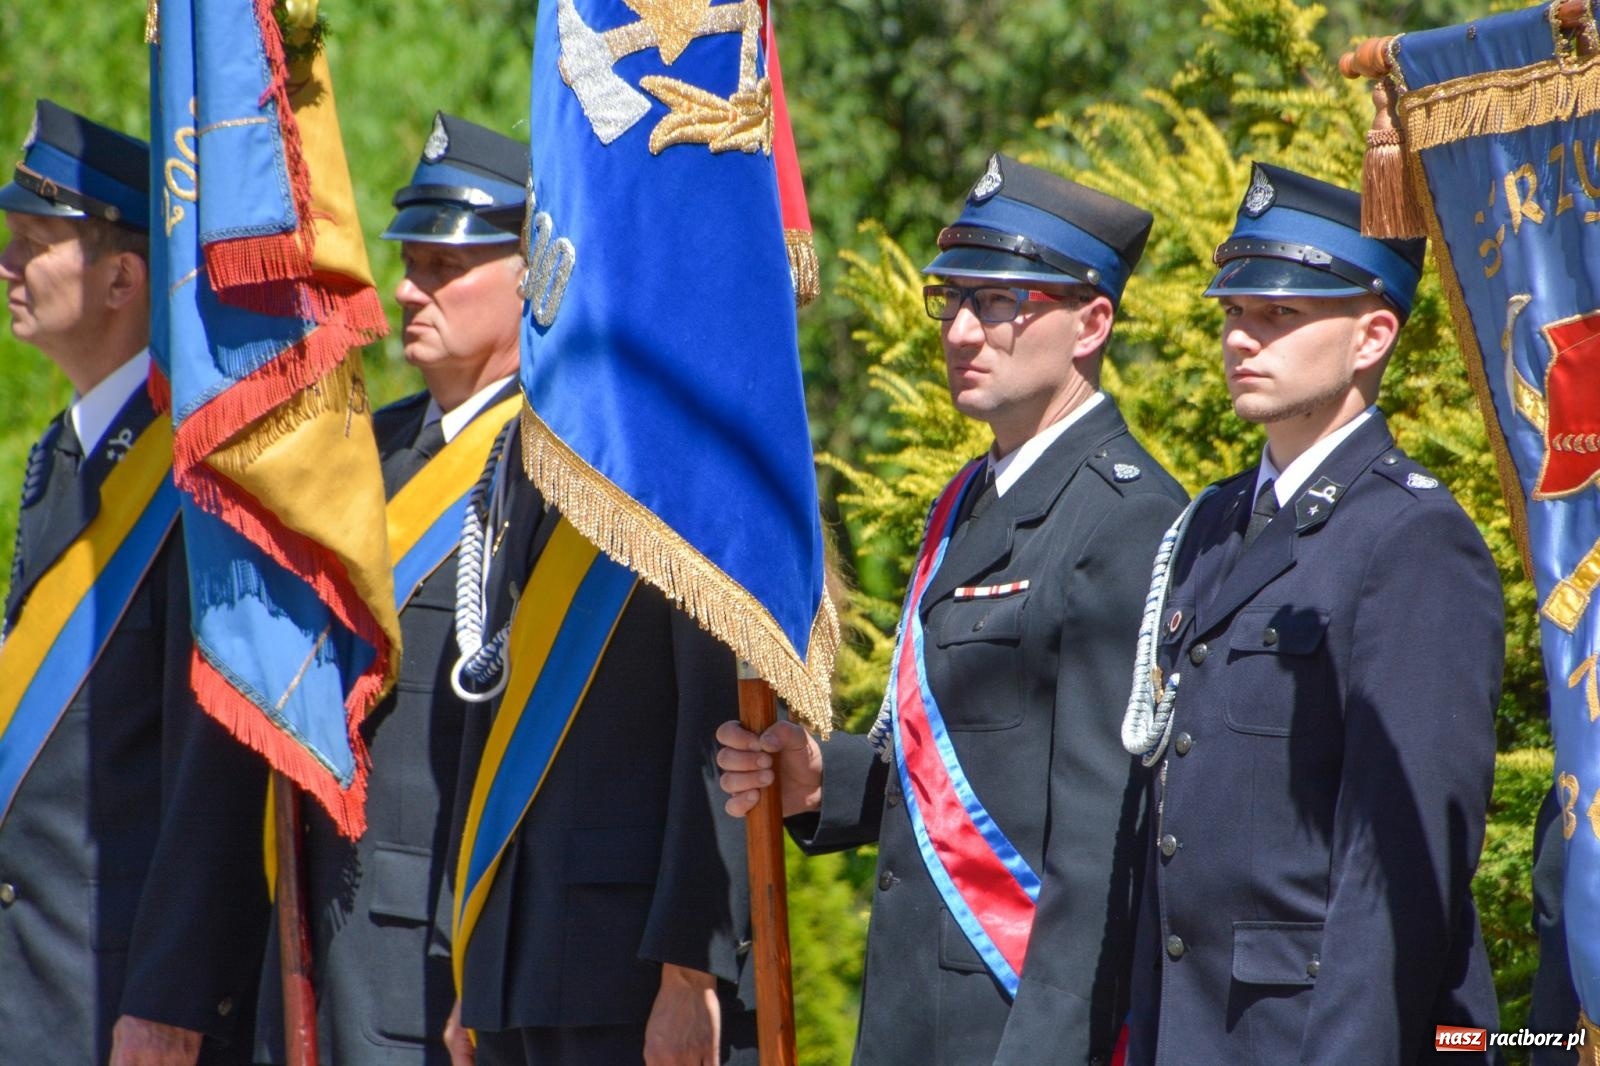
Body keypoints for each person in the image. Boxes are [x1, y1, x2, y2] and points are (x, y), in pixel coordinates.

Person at [717, 153, 1186, 1064]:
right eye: (953, 300)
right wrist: (824, 779)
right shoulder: (966, 501)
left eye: (1003, 302)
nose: (965, 330)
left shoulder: (1125, 518)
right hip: (913, 1015)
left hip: (1014, 1028)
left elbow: (1099, 854)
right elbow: (956, 765)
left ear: (1093, 322)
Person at [1119, 163, 1502, 1063]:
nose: (1242, 339)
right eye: (1233, 314)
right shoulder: (1211, 524)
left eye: (1279, 316)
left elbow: (1400, 870)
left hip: (1311, 1038)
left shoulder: (1414, 543)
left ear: (1372, 337)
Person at [0, 99, 269, 1065]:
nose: (6, 267)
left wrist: (170, 997)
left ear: (123, 277)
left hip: (114, 997)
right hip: (34, 984)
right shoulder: (60, 457)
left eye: (35, 244)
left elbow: (210, 765)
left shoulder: (194, 481)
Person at [254, 111, 526, 1065]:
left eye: (446, 269)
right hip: (309, 936)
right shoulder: (363, 454)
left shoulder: (564, 475)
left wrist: (479, 964)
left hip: (436, 959)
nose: (409, 288)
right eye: (411, 262)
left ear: (533, 271)